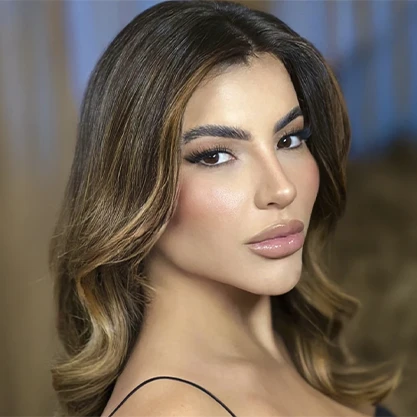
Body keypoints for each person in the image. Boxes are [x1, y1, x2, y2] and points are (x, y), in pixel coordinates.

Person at [49, 1, 403, 416]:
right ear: (131, 186)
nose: (282, 188)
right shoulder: (172, 411)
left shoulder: (305, 357)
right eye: (215, 156)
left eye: (289, 139)